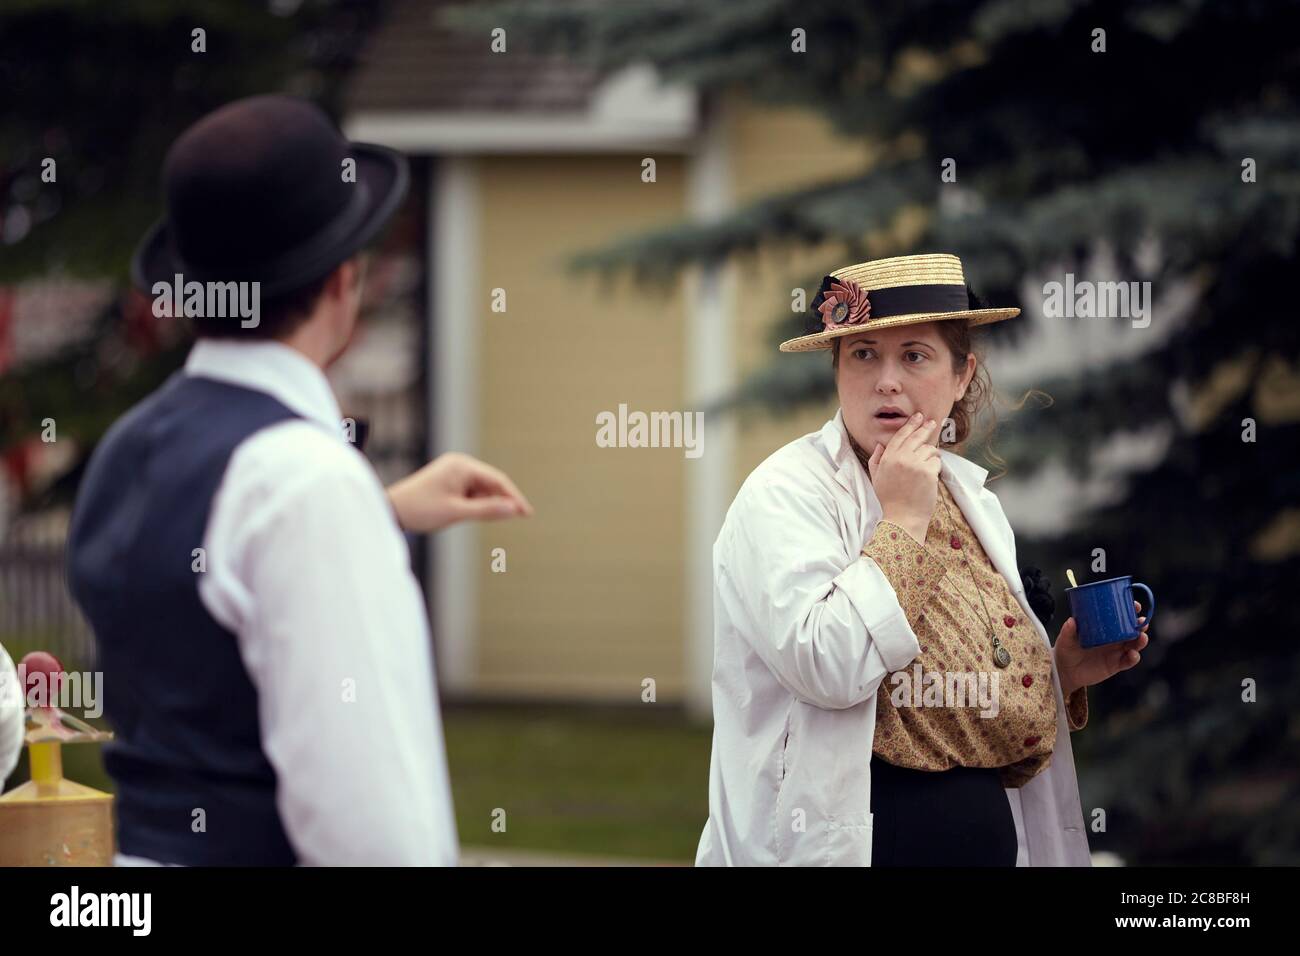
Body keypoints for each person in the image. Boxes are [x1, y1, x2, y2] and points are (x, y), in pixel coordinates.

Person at [66, 95, 532, 866]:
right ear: (344, 279)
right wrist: (347, 514)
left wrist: (373, 514)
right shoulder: (306, 484)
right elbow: (374, 834)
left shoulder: (126, 447)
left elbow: (197, 586)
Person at [694, 253, 1150, 866]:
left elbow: (954, 699)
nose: (887, 380)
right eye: (863, 354)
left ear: (962, 375)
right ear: (837, 370)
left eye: (914, 355)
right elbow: (828, 667)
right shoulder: (784, 495)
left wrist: (1059, 673)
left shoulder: (968, 496)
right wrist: (902, 524)